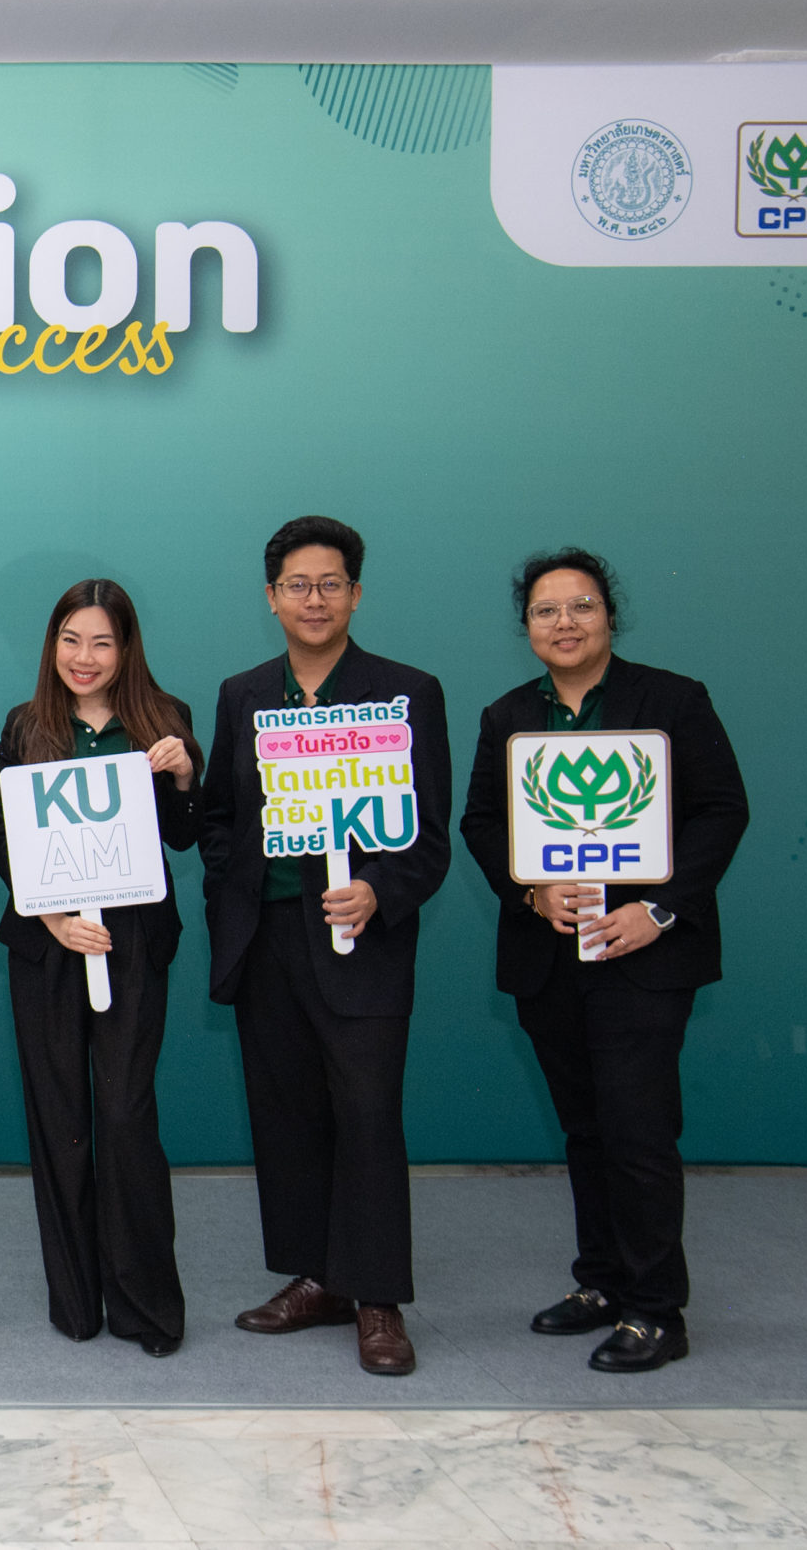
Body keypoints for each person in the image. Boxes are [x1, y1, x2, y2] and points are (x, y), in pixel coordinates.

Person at [459, 549, 748, 1374]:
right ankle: (602, 1281)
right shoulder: (508, 714)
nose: (565, 622)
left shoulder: (673, 700)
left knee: (637, 1129)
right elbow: (482, 821)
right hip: (550, 958)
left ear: (609, 615)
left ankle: (656, 1309)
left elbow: (723, 809)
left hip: (643, 954)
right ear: (526, 626)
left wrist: (657, 909)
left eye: (581, 605)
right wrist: (531, 890)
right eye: (546, 610)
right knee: (585, 1128)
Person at [200, 515, 450, 1378]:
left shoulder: (406, 692)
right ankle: (319, 1278)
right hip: (266, 938)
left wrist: (381, 887)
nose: (315, 599)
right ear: (271, 598)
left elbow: (428, 836)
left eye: (331, 583)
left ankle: (377, 1296)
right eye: (298, 585)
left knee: (368, 1114)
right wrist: (232, 888)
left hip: (360, 939)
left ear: (356, 593)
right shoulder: (243, 693)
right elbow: (221, 817)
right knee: (288, 1113)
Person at [0, 579, 203, 1360]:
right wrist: (50, 914)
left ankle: (148, 1306)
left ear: (127, 648)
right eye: (71, 640)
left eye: (102, 642)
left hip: (133, 941)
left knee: (124, 1115)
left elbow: (186, 834)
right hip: (48, 944)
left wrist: (183, 775)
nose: (85, 657)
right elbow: (2, 837)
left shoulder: (164, 717)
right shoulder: (27, 723)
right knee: (61, 1121)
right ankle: (76, 1302)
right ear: (53, 644)